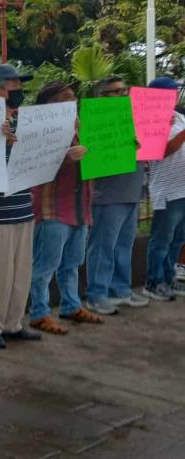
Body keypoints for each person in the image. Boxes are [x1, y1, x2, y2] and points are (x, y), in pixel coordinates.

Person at [0, 64, 45, 347]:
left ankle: (14, 323)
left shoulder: (21, 123)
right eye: (14, 85)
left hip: (22, 206)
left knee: (20, 271)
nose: (19, 91)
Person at [28, 81, 99, 334]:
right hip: (52, 207)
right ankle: (39, 313)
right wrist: (63, 157)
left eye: (72, 97)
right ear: (49, 105)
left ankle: (71, 305)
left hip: (80, 208)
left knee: (72, 263)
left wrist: (122, 147)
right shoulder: (38, 130)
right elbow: (31, 165)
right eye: (64, 98)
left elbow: (101, 157)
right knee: (45, 265)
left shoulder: (84, 127)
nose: (72, 101)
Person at [85, 76, 152, 311]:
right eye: (114, 92)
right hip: (109, 196)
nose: (121, 95)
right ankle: (96, 294)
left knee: (124, 246)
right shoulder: (95, 121)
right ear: (101, 96)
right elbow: (95, 158)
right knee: (103, 247)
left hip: (132, 192)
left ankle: (120, 290)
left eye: (124, 91)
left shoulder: (134, 118)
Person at [143, 76, 185, 299]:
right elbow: (161, 152)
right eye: (172, 91)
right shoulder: (151, 119)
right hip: (167, 191)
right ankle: (153, 282)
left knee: (178, 239)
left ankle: (169, 278)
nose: (176, 94)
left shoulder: (179, 116)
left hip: (183, 189)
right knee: (162, 239)